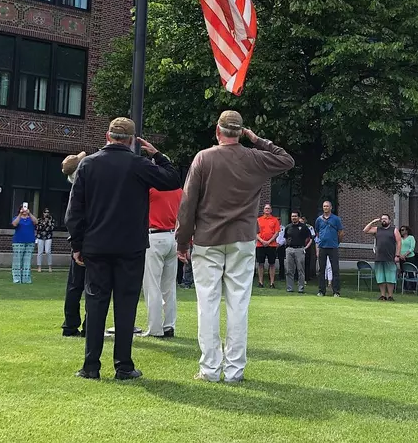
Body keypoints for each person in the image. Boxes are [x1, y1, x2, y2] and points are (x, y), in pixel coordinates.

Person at [176, 111, 294, 384]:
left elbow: (188, 204)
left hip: (207, 239)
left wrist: (183, 241)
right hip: (242, 239)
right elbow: (287, 160)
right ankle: (234, 371)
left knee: (208, 304)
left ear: (218, 130)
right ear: (241, 132)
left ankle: (209, 369)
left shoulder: (203, 158)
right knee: (238, 305)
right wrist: (257, 139)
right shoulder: (255, 158)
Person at [66, 118, 181, 381]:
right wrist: (157, 155)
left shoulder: (88, 164)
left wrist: (77, 244)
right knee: (125, 304)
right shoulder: (139, 164)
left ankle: (91, 366)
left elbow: (74, 210)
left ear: (108, 135)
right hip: (130, 246)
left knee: (95, 303)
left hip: (96, 245)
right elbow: (172, 180)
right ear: (131, 140)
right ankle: (123, 365)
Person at [142, 186, 184, 338]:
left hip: (154, 236)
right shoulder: (179, 191)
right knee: (169, 286)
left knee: (152, 285)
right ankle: (169, 326)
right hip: (173, 237)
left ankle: (155, 328)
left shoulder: (151, 190)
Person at [61, 151, 87, 338]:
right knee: (94, 287)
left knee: (74, 286)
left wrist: (76, 246)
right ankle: (89, 325)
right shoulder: (87, 186)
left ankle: (70, 325)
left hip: (79, 241)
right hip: (91, 240)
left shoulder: (75, 186)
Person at [364, 215, 402, 301]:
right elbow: (365, 230)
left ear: (389, 220)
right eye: (382, 219)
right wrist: (373, 222)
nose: (383, 220)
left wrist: (397, 255)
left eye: (385, 219)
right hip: (379, 257)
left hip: (390, 257)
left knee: (390, 277)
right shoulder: (377, 229)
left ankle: (390, 296)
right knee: (380, 277)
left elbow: (399, 242)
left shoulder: (394, 230)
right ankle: (382, 295)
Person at [314, 201, 344, 297]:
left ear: (331, 207)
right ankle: (321, 291)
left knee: (335, 269)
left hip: (333, 247)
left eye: (327, 206)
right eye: (324, 206)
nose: (325, 208)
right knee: (321, 270)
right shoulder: (319, 220)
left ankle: (336, 291)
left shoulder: (336, 219)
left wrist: (336, 242)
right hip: (322, 247)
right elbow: (318, 232)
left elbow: (341, 233)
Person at [283, 211, 312, 293]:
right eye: (292, 216)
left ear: (299, 217)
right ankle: (289, 288)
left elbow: (308, 238)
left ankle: (301, 288)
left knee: (300, 270)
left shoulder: (303, 227)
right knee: (289, 270)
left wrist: (304, 247)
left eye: (295, 216)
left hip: (299, 249)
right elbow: (285, 237)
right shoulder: (288, 227)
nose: (294, 218)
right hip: (289, 250)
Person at [255, 204, 281, 289]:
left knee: (272, 264)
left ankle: (272, 283)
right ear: (263, 210)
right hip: (260, 245)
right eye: (266, 208)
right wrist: (262, 241)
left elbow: (277, 232)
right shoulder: (258, 220)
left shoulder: (275, 220)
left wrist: (269, 241)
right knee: (260, 263)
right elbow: (255, 233)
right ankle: (260, 282)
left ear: (271, 210)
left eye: (268, 208)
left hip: (272, 245)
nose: (267, 210)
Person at [10, 204, 37, 284]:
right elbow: (14, 224)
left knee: (27, 261)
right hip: (18, 241)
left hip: (30, 242)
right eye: (22, 208)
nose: (24, 210)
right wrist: (20, 214)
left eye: (25, 208)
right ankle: (17, 279)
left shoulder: (30, 219)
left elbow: (36, 222)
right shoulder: (16, 218)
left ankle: (26, 279)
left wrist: (30, 214)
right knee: (17, 261)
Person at [36, 208, 55, 273]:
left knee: (48, 251)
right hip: (40, 237)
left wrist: (49, 222)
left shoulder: (51, 220)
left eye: (48, 212)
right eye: (45, 212)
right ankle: (39, 267)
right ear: (43, 213)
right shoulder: (39, 220)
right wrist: (44, 223)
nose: (47, 213)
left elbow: (52, 228)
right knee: (40, 252)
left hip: (48, 237)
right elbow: (38, 228)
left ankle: (50, 266)